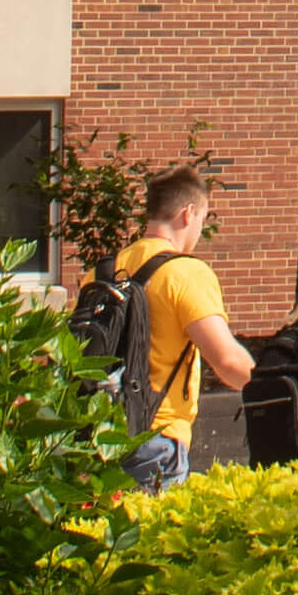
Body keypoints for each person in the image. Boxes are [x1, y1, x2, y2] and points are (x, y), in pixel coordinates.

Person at [116, 170, 255, 492]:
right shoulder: (184, 273)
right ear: (188, 213)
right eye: (202, 219)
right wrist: (281, 387)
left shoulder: (108, 269)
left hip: (104, 434)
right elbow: (227, 361)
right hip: (158, 434)